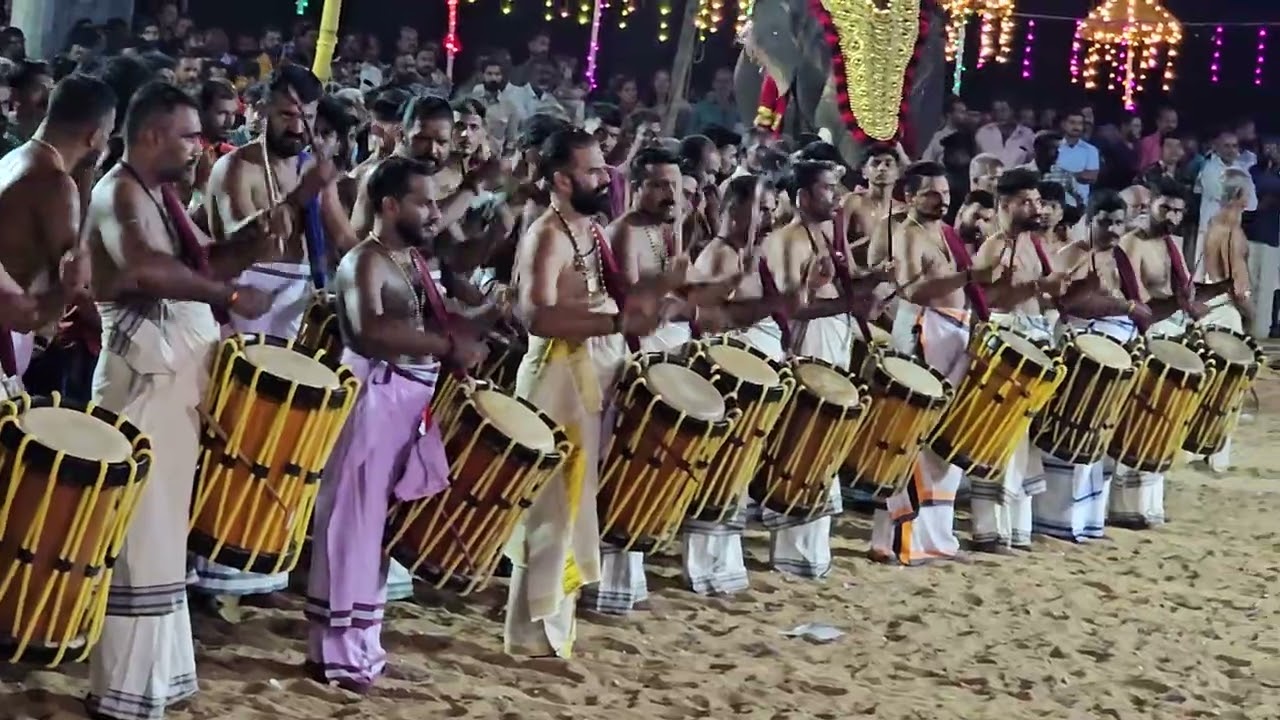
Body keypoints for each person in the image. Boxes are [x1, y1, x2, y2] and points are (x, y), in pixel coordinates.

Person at [84, 80, 274, 720]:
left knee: (162, 534)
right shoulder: (118, 192)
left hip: (173, 383)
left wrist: (265, 228)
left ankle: (153, 684)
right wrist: (226, 299)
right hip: (142, 383)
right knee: (139, 535)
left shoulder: (162, 196)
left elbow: (208, 259)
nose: (201, 146)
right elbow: (142, 269)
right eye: (190, 135)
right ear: (151, 135)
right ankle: (122, 695)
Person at [306, 156, 486, 692]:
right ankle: (334, 653)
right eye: (423, 202)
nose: (434, 213)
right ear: (389, 205)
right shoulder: (365, 261)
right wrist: (447, 344)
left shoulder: (411, 260)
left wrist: (490, 317)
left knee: (378, 531)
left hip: (408, 398)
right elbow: (368, 333)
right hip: (372, 397)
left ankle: (362, 640)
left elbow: (437, 317)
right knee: (351, 526)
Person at [504, 127, 668, 657]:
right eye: (593, 170)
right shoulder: (547, 235)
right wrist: (615, 323)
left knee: (575, 505)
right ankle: (530, 636)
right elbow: (534, 314)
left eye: (604, 167)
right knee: (551, 503)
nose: (605, 177)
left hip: (591, 371)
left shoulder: (590, 229)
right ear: (560, 179)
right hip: (557, 375)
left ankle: (555, 629)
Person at [198, 64, 355, 613]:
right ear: (262, 110)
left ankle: (261, 557)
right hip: (245, 303)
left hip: (296, 307)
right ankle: (211, 562)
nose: (299, 126)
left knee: (284, 437)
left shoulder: (314, 168)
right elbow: (240, 243)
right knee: (237, 430)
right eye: (289, 115)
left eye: (308, 117)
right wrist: (296, 199)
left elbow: (346, 242)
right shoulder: (232, 169)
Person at [754, 159, 879, 577]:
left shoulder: (824, 234)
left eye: (838, 188)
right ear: (802, 196)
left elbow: (837, 287)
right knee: (803, 439)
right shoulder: (787, 239)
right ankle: (791, 552)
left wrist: (875, 280)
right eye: (828, 188)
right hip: (807, 345)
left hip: (834, 340)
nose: (837, 196)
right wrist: (849, 303)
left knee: (826, 438)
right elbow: (792, 307)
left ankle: (812, 552)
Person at [868, 161, 990, 564]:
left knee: (941, 441)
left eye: (946, 192)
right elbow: (914, 288)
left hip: (951, 332)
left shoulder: (948, 233)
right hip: (923, 331)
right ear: (910, 197)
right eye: (932, 193)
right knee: (912, 432)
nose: (943, 199)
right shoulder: (907, 235)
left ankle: (936, 539)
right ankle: (895, 539)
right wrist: (967, 277)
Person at [1031, 190, 1150, 542]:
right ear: (1090, 220)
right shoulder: (1073, 254)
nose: (1112, 229)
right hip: (1082, 347)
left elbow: (1136, 300)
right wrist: (1120, 307)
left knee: (1098, 437)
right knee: (1071, 430)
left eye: (1118, 222)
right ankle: (1056, 522)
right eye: (1104, 222)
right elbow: (1062, 299)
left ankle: (1088, 521)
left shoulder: (1121, 258)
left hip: (1117, 348)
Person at [969, 168, 1073, 554]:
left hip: (1033, 334)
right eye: (1026, 202)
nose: (1035, 208)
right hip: (1007, 335)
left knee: (1023, 437)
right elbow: (990, 301)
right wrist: (1036, 288)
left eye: (1037, 201)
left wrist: (1055, 290)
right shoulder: (995, 246)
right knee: (998, 434)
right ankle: (990, 531)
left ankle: (1018, 529)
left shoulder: (1034, 244)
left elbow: (1041, 293)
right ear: (1004, 205)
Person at [0, 75, 114, 397]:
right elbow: (75, 277)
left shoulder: (18, 157)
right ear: (96, 136)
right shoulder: (55, 183)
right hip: (13, 323)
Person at [1112, 177, 1205, 528]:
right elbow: (1137, 300)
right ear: (1149, 204)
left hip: (1171, 332)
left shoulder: (1172, 244)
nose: (1171, 215)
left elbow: (1179, 292)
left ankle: (1149, 505)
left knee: (1162, 421)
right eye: (1165, 207)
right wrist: (1177, 304)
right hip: (1144, 334)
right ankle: (1125, 507)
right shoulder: (1131, 243)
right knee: (1139, 417)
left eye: (1179, 211)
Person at [1193, 168, 1254, 473]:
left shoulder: (1212, 223)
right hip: (1226, 308)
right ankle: (1217, 454)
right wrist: (1251, 314)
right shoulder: (1233, 231)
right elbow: (1236, 284)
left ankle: (1202, 444)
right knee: (1229, 386)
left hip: (1208, 304)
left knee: (1211, 381)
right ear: (1241, 197)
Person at [841, 142, 901, 266]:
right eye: (876, 163)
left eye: (888, 164)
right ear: (864, 172)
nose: (882, 168)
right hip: (855, 277)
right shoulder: (852, 202)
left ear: (898, 173)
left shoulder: (902, 210)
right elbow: (836, 244)